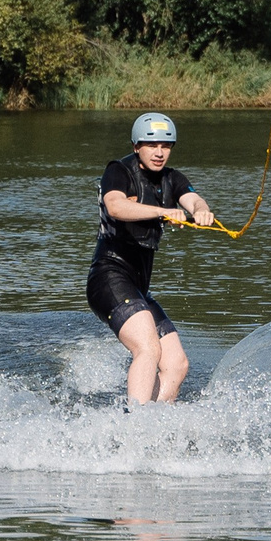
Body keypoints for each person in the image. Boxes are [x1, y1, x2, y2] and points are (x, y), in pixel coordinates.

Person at [90, 112, 216, 405]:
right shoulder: (119, 171)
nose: (159, 152)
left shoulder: (173, 179)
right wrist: (162, 212)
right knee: (148, 349)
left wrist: (201, 210)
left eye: (166, 145)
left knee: (176, 364)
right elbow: (116, 207)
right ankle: (133, 425)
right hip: (108, 277)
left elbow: (192, 199)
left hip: (137, 287)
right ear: (137, 147)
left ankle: (156, 423)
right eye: (152, 145)